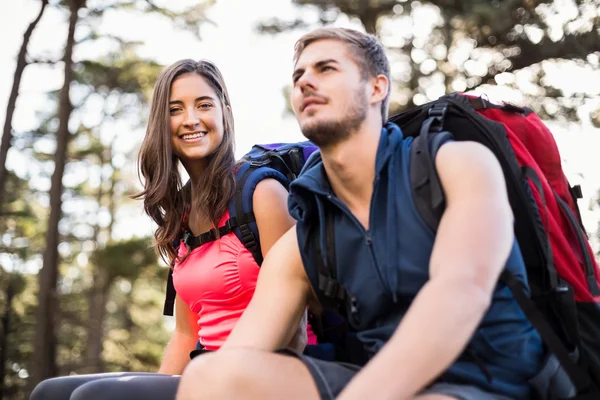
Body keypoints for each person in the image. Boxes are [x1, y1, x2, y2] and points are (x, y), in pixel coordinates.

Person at [175, 27, 546, 400]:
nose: (305, 82)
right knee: (211, 377)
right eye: (298, 75)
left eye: (326, 69)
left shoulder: (454, 163)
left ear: (376, 88)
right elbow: (243, 354)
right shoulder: (309, 229)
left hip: (487, 383)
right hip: (377, 381)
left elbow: (461, 294)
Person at [30, 59, 306, 400]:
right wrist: (161, 387)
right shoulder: (181, 216)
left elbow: (296, 320)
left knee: (93, 397)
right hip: (206, 370)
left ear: (225, 113)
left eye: (204, 104)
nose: (191, 119)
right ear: (162, 123)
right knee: (50, 392)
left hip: (267, 372)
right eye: (175, 109)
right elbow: (185, 336)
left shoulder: (262, 193)